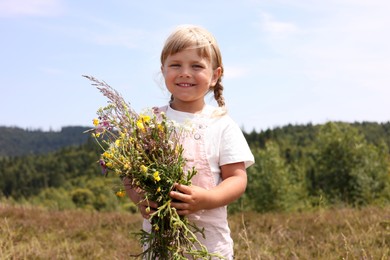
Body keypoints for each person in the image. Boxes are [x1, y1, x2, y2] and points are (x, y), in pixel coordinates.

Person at [124, 24, 254, 259]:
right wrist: (140, 198)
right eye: (176, 65)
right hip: (160, 246)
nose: (185, 72)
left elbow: (237, 178)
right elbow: (129, 174)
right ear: (163, 70)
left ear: (215, 75)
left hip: (211, 248)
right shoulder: (149, 122)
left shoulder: (222, 124)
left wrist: (206, 199)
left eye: (196, 66)